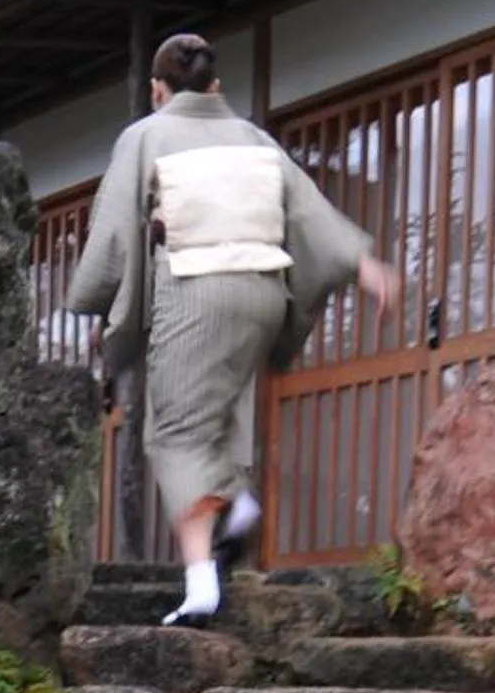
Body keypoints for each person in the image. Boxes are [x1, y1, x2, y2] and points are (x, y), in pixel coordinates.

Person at [69, 32, 402, 622]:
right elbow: (308, 211)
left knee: (174, 432)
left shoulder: (146, 135)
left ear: (156, 90)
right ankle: (236, 501)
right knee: (218, 414)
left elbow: (115, 234)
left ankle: (202, 581)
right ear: (216, 87)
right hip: (263, 291)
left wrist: (98, 303)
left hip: (196, 291)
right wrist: (363, 265)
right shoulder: (255, 139)